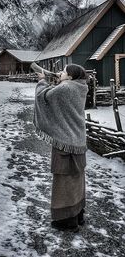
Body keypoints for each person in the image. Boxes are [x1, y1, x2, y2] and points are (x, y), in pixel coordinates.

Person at [33, 64, 88, 233]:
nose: (61, 72)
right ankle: (78, 214)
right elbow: (60, 94)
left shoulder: (66, 88)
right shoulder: (80, 87)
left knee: (64, 182)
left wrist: (42, 80)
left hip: (65, 142)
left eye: (64, 71)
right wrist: (58, 81)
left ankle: (67, 221)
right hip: (77, 141)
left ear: (70, 76)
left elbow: (45, 97)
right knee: (76, 180)